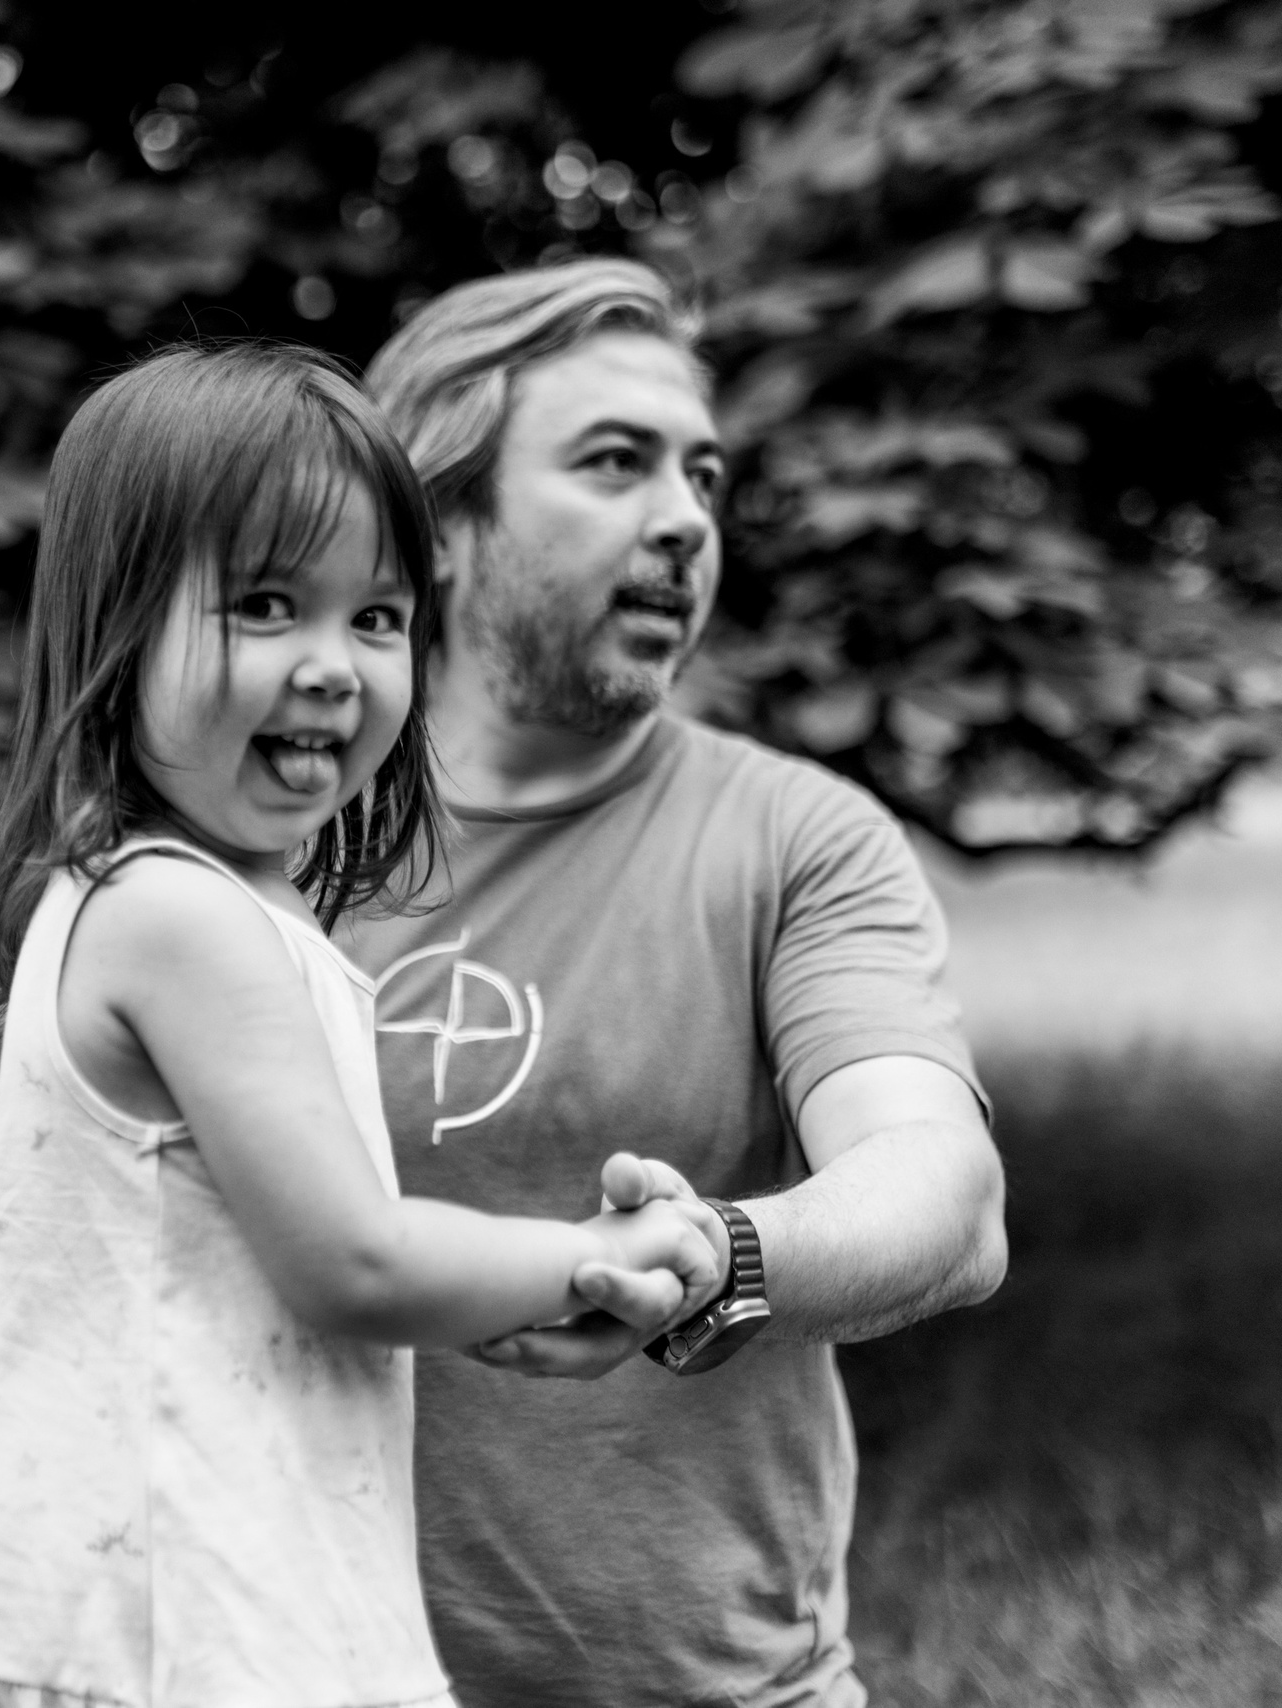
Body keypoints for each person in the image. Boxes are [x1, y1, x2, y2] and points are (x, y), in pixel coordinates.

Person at [0, 341, 721, 1708]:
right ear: (118, 625)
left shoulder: (212, 913)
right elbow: (355, 1267)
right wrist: (586, 1256)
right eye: (269, 605)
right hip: (169, 1638)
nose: (335, 668)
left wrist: (517, 1281)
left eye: (378, 618)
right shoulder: (179, 921)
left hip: (216, 1599)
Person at [348, 258, 1011, 1708]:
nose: (683, 523)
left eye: (702, 478)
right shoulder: (276, 848)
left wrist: (719, 1259)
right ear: (442, 526)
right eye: (614, 464)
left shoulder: (794, 838)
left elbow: (942, 1192)